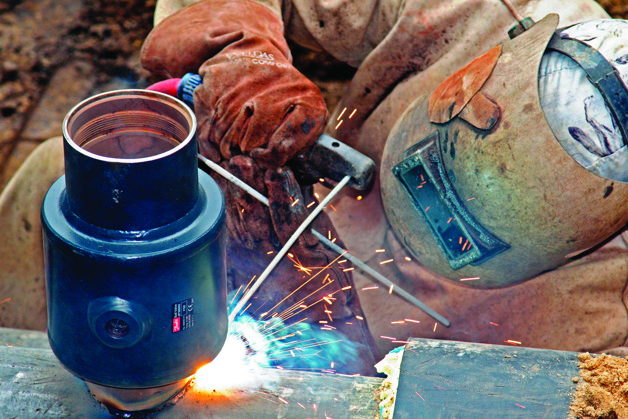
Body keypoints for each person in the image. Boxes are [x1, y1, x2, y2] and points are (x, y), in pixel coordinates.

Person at [2, 0, 626, 373]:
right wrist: (243, 53)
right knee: (74, 189)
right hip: (296, 199)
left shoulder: (598, 333)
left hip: (395, 358)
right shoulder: (486, 13)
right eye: (434, 176)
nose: (435, 212)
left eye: (465, 229)